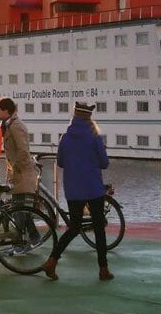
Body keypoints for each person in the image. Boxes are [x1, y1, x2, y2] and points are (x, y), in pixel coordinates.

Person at [43, 102, 114, 282]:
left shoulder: (65, 137)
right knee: (99, 228)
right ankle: (103, 269)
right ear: (89, 117)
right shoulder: (94, 137)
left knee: (74, 227)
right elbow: (104, 163)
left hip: (73, 188)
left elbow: (60, 162)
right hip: (93, 187)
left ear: (74, 117)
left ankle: (52, 260)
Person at [0, 97, 39, 243]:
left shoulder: (15, 126)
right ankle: (33, 237)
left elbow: (23, 150)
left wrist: (16, 169)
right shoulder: (9, 124)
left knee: (18, 210)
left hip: (22, 173)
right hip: (19, 172)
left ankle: (21, 242)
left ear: (6, 111)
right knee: (19, 209)